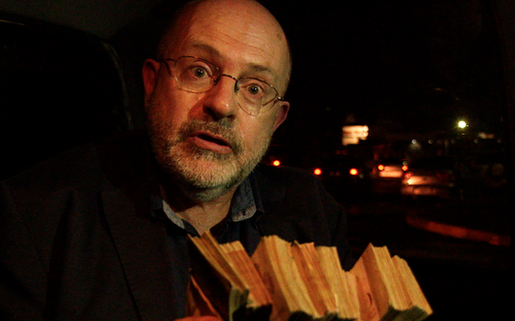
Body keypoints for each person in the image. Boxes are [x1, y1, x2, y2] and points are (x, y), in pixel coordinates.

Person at [0, 0, 355, 320]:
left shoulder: (315, 213)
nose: (223, 105)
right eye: (199, 71)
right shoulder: (34, 217)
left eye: (254, 88)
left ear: (275, 120)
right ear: (152, 82)